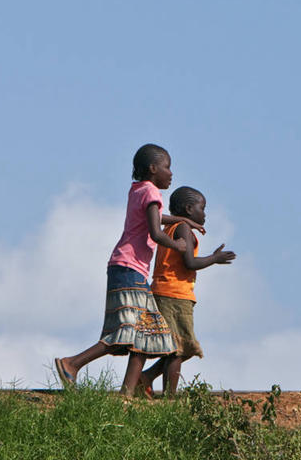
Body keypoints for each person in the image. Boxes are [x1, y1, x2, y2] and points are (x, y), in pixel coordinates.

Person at [54, 144, 202, 396]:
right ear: (153, 169)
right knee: (124, 332)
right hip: (129, 268)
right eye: (167, 167)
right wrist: (177, 243)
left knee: (146, 334)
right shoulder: (152, 192)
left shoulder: (139, 190)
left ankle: (127, 394)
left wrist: (182, 220)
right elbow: (156, 232)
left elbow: (155, 218)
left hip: (128, 269)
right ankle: (72, 363)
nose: (171, 173)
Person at [139, 186, 236, 396]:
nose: (205, 213)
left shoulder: (171, 229)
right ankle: (170, 398)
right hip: (174, 295)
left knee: (177, 347)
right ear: (189, 208)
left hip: (165, 292)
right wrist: (214, 259)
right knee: (180, 349)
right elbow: (190, 262)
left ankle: (145, 378)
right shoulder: (183, 228)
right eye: (203, 208)